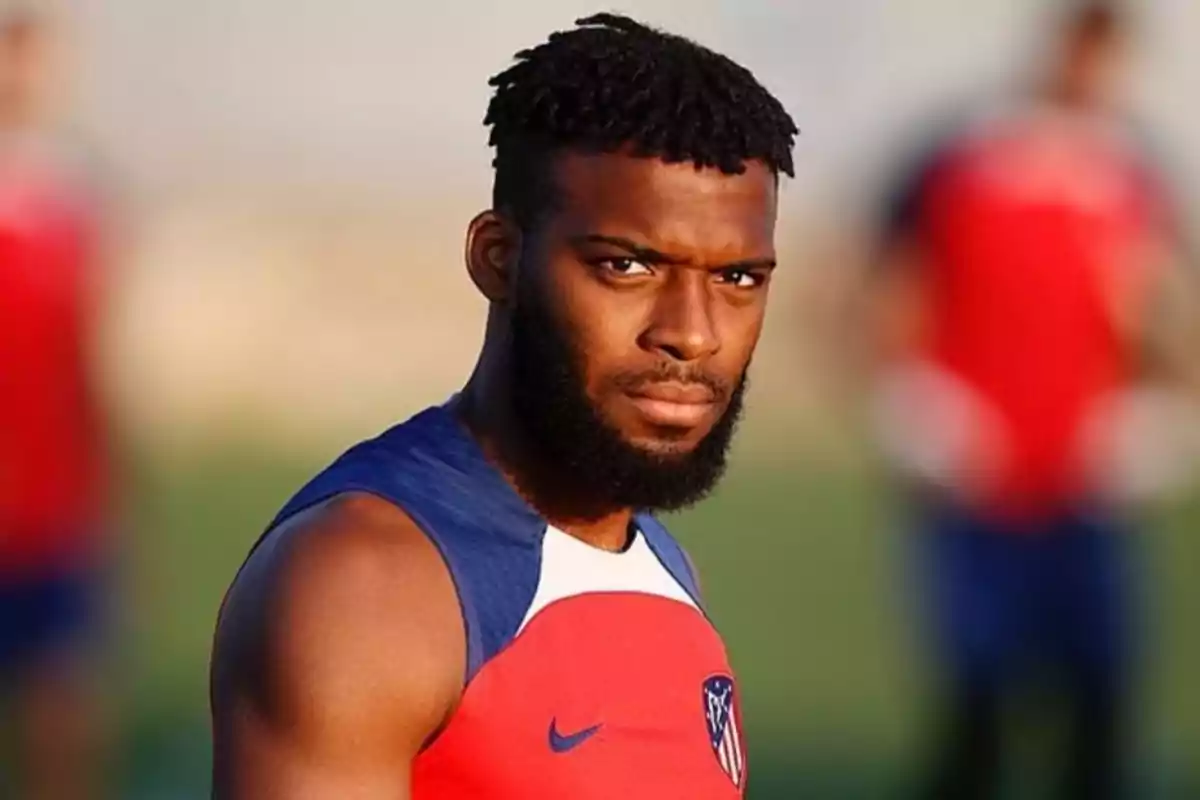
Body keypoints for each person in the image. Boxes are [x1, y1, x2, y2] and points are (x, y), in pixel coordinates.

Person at [210, 13, 797, 799]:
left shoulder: (662, 568)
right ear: (499, 258)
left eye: (737, 280)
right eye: (626, 265)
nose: (691, 333)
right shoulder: (366, 586)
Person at [866, 3, 1194, 798]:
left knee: (1101, 706)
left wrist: (1166, 414)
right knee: (976, 704)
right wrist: (908, 402)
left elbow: (1162, 309)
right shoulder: (964, 158)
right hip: (978, 478)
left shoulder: (1131, 172)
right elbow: (883, 287)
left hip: (1082, 486)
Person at [0, 5, 115, 799]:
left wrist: (110, 499)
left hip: (54, 512)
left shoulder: (74, 203)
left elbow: (86, 368)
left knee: (63, 731)